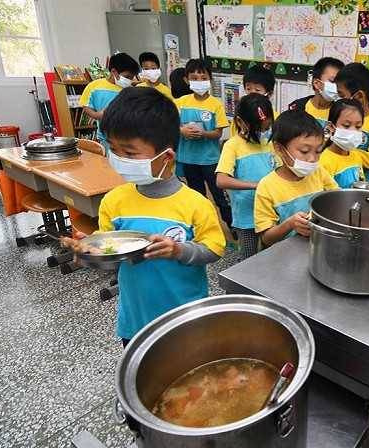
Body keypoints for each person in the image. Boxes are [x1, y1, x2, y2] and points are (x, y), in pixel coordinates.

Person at [62, 88, 225, 346]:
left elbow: (214, 250)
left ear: (167, 157)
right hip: (136, 321)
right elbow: (115, 260)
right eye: (114, 150)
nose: (118, 160)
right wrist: (90, 254)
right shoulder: (114, 202)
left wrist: (178, 250)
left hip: (185, 319)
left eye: (129, 153)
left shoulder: (196, 204)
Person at [254, 110, 338, 247]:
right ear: (279, 149)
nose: (312, 159)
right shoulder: (267, 187)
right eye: (304, 151)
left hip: (315, 246)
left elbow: (337, 199)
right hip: (284, 254)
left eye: (318, 151)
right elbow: (266, 238)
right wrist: (290, 224)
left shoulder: (318, 172)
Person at [215, 94, 277, 259]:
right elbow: (221, 180)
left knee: (270, 255)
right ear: (241, 122)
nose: (264, 132)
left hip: (269, 212)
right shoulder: (232, 146)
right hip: (246, 215)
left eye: (267, 127)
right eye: (259, 129)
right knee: (248, 257)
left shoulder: (270, 143)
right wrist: (256, 185)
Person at [174, 58, 233, 229]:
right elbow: (170, 123)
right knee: (198, 196)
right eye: (194, 78)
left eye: (203, 78)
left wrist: (204, 133)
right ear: (186, 80)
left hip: (210, 159)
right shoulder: (180, 103)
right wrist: (182, 130)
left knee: (219, 195)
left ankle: (230, 224)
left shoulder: (216, 105)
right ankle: (204, 226)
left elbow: (218, 133)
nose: (199, 82)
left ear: (210, 79)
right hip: (189, 159)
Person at [79, 52, 139, 154]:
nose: (130, 80)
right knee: (109, 165)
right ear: (114, 72)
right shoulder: (95, 86)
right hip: (106, 138)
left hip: (128, 137)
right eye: (127, 77)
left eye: (132, 77)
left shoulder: (130, 90)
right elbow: (86, 105)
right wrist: (97, 115)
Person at [319, 99, 366, 188]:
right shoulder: (324, 162)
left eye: (358, 126)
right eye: (346, 126)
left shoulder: (356, 155)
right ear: (331, 127)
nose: (353, 131)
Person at [287, 57, 345, 127]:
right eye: (332, 81)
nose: (336, 86)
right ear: (316, 83)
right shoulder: (297, 107)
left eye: (339, 83)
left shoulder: (340, 113)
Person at [231, 64, 278, 135]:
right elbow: (234, 140)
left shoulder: (276, 118)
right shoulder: (240, 116)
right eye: (248, 89)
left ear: (269, 93)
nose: (252, 93)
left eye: (257, 90)